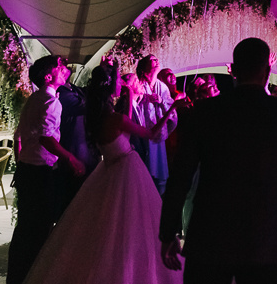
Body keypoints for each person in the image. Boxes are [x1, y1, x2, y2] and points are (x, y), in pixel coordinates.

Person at [159, 37, 277, 283]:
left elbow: (181, 176)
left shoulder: (205, 112)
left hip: (210, 234)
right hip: (263, 236)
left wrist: (168, 232)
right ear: (267, 70)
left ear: (234, 69)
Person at [22, 63, 181, 284]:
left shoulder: (96, 118)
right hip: (128, 171)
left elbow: (124, 124)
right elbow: (152, 134)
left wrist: (129, 96)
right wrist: (172, 108)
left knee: (106, 227)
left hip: (109, 170)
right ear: (110, 89)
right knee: (134, 225)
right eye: (118, 83)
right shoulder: (114, 119)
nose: (121, 85)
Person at [7, 55, 86, 284]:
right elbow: (46, 138)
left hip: (28, 170)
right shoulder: (50, 101)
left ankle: (18, 277)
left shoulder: (36, 98)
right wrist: (72, 159)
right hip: (40, 173)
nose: (64, 68)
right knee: (39, 231)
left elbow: (20, 136)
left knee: (25, 230)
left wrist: (21, 160)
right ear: (49, 76)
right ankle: (34, 276)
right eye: (60, 66)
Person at [131, 54, 179, 194]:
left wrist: (162, 102)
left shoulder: (162, 87)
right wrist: (145, 98)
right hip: (142, 136)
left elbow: (172, 112)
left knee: (160, 175)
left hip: (158, 136)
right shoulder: (138, 85)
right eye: (152, 60)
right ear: (145, 68)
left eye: (156, 59)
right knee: (145, 173)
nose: (156, 60)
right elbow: (133, 106)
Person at [58, 76, 98, 210]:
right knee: (74, 201)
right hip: (74, 150)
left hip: (87, 150)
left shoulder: (74, 88)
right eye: (60, 66)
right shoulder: (61, 93)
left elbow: (88, 93)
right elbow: (85, 105)